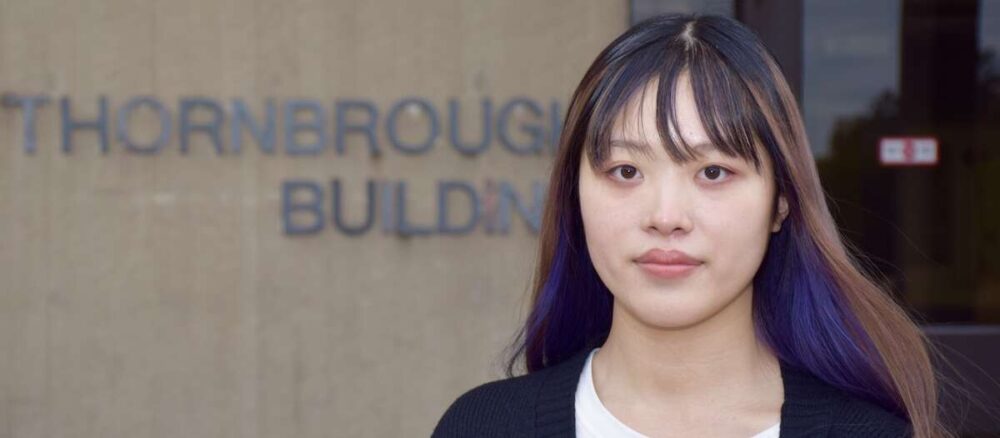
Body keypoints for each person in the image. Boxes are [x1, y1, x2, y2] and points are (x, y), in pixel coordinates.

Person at [433, 13, 952, 438]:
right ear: (575, 196)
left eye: (713, 172)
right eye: (626, 171)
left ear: (781, 202)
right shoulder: (484, 427)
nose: (665, 217)